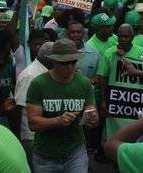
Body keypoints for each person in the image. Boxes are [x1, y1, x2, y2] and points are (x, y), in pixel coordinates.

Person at [27, 38, 98, 172]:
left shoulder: (84, 83)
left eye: (73, 62)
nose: (70, 67)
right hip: (45, 156)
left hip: (75, 152)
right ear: (53, 61)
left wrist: (92, 118)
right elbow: (33, 123)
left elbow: (91, 112)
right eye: (64, 63)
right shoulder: (38, 84)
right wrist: (58, 120)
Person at [14, 41, 53, 167]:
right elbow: (19, 107)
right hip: (30, 137)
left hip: (42, 134)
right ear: (49, 58)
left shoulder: (44, 72)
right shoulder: (31, 75)